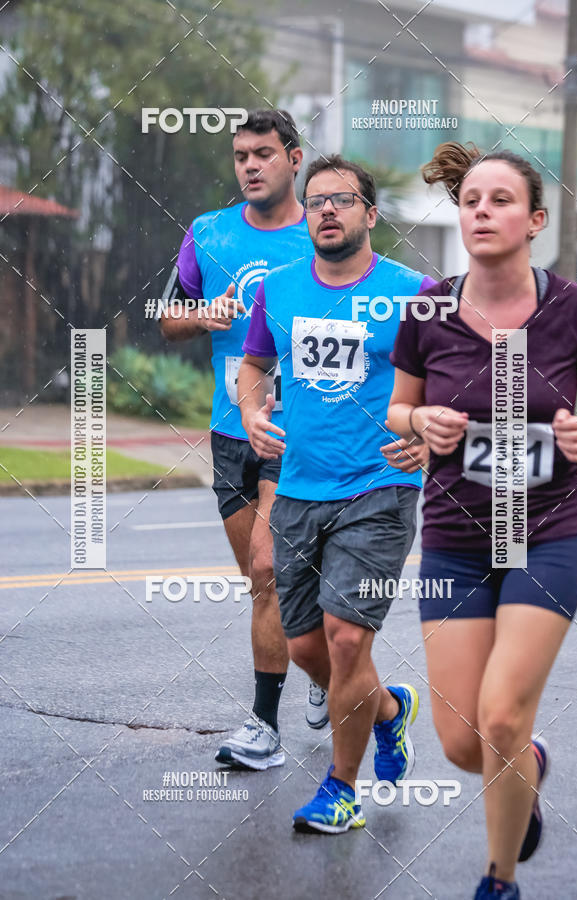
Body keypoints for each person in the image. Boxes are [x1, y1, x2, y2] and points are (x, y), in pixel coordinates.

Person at [388, 141, 577, 898]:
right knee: (460, 742)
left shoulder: (576, 310)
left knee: (503, 717)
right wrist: (423, 421)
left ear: (536, 219)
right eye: (472, 199)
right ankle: (529, 768)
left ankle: (499, 880)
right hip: (454, 538)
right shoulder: (427, 308)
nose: (482, 210)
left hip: (546, 534)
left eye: (501, 200)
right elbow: (398, 407)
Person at [238, 154, 433, 833]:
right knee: (306, 649)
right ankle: (388, 709)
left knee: (348, 638)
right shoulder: (281, 288)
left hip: (381, 485)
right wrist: (253, 414)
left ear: (370, 215)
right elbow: (255, 366)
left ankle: (339, 791)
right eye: (317, 200)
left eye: (342, 200)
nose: (326, 210)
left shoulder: (416, 292)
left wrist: (432, 438)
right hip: (298, 488)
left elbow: (466, 377)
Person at [160, 109, 328, 771]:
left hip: (298, 427)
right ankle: (315, 660)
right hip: (230, 428)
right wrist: (206, 314)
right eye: (240, 156)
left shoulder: (321, 232)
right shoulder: (208, 234)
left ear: (293, 158)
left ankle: (263, 727)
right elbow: (168, 320)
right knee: (266, 585)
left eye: (263, 153)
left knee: (266, 568)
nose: (250, 166)